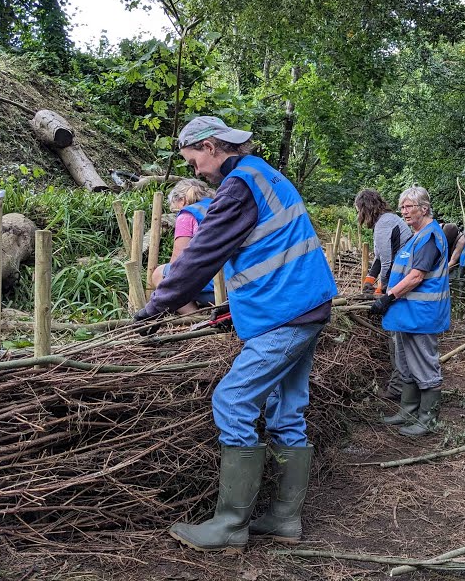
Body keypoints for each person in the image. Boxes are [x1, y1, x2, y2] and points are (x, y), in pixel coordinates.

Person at [134, 115, 338, 551]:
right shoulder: (263, 175)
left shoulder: (239, 184)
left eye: (193, 161)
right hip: (302, 303)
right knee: (287, 411)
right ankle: (284, 519)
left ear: (210, 146)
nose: (195, 171)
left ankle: (229, 525)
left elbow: (202, 254)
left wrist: (156, 306)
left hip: (284, 312)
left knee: (232, 399)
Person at [368, 186, 451, 437]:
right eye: (402, 206)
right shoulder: (416, 236)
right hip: (407, 313)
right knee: (406, 363)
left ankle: (428, 420)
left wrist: (388, 297)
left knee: (425, 365)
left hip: (422, 315)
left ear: (424, 209)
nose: (404, 211)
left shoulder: (429, 237)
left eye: (409, 207)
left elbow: (416, 277)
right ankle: (408, 410)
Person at [354, 188, 414, 399]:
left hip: (400, 282)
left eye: (358, 210)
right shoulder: (386, 221)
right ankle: (399, 383)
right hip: (400, 279)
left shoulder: (384, 223)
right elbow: (379, 258)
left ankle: (399, 387)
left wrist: (382, 292)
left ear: (365, 208)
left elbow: (388, 262)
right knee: (395, 335)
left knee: (397, 335)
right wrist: (369, 281)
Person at [148, 178, 217, 315]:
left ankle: (195, 318)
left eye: (175, 208)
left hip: (213, 289)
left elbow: (178, 262)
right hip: (240, 283)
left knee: (159, 274)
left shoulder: (188, 214)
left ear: (182, 200)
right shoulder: (220, 205)